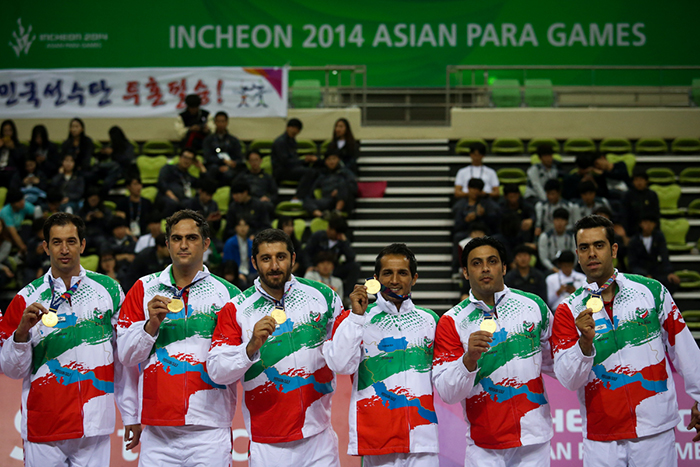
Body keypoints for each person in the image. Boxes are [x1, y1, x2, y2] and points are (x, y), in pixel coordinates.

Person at [550, 214, 700, 466]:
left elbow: (684, 349)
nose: (591, 253)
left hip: (655, 430)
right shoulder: (567, 309)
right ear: (577, 254)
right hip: (601, 437)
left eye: (599, 245)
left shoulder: (651, 291)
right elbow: (569, 380)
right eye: (584, 248)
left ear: (614, 249)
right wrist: (584, 346)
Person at [0, 212, 140, 466]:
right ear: (45, 247)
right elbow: (11, 370)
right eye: (56, 242)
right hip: (45, 426)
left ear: (83, 245)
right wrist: (21, 334)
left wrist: (130, 413)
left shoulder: (109, 290)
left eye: (71, 241)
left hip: (94, 425)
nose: (64, 249)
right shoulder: (26, 298)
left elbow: (123, 360)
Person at [207, 228, 343, 467]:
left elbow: (343, 355)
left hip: (319, 436)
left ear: (292, 257)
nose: (274, 266)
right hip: (267, 442)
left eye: (280, 257)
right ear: (254, 262)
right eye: (266, 258)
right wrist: (249, 349)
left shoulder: (324, 296)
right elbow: (217, 371)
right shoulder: (237, 308)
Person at [117, 209, 240, 467]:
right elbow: (126, 356)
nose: (183, 245)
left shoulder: (229, 294)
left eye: (192, 238)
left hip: (210, 427)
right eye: (176, 238)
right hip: (157, 430)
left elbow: (236, 362)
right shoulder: (142, 288)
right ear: (166, 244)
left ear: (206, 243)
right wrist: (150, 326)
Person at [433, 236, 554, 467]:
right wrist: (468, 360)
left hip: (534, 441)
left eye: (492, 261)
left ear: (505, 267)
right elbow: (448, 393)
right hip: (484, 445)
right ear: (465, 273)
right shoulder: (451, 321)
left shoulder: (534, 305)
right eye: (476, 263)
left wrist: (584, 346)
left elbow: (559, 364)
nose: (485, 268)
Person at [324, 243, 439, 466]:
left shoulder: (430, 320)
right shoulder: (354, 319)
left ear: (414, 278)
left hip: (422, 440)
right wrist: (356, 317)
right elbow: (340, 365)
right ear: (375, 279)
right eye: (387, 273)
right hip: (375, 441)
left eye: (402, 273)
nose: (394, 280)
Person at [303, 214, 360, 299]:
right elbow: (306, 253)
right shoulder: (318, 236)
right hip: (317, 268)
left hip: (333, 269)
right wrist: (309, 265)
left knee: (355, 266)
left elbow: (351, 257)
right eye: (334, 231)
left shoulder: (342, 241)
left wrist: (344, 243)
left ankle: (346, 297)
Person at [627, 213, 681, 292]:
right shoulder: (634, 241)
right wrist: (644, 275)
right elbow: (632, 263)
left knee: (671, 282)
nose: (648, 225)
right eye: (645, 222)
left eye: (651, 222)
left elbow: (664, 256)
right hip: (639, 274)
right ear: (640, 224)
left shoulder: (659, 237)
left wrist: (670, 272)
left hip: (656, 273)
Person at [270, 118, 316, 199]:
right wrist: (303, 160)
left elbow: (294, 159)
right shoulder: (280, 142)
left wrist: (306, 161)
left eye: (297, 129)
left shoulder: (292, 141)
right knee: (309, 172)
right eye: (293, 128)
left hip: (290, 168)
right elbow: (285, 162)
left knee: (315, 169)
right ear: (287, 128)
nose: (295, 131)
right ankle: (298, 196)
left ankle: (308, 195)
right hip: (282, 170)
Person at [303, 152, 357, 218]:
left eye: (334, 159)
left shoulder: (346, 173)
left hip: (344, 200)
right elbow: (313, 189)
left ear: (338, 160)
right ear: (325, 162)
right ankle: (323, 215)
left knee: (343, 185)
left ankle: (337, 211)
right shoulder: (322, 175)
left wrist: (339, 191)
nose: (332, 162)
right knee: (307, 201)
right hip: (327, 200)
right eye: (329, 159)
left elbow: (353, 187)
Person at [202, 111, 243, 185]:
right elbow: (208, 157)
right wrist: (222, 162)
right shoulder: (208, 140)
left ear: (227, 123)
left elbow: (239, 158)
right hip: (214, 167)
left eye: (223, 121)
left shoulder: (233, 140)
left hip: (230, 167)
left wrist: (232, 163)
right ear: (215, 122)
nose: (221, 124)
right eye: (218, 121)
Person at [157, 148, 199, 217]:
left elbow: (204, 184)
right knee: (172, 203)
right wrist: (172, 196)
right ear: (180, 157)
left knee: (193, 203)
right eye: (185, 157)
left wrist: (201, 167)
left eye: (190, 159)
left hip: (181, 200)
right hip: (166, 197)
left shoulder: (188, 177)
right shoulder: (168, 168)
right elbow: (161, 183)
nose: (186, 161)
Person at [234, 150, 279, 214]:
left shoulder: (268, 177)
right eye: (252, 160)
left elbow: (274, 193)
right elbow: (234, 191)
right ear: (248, 162)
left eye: (256, 160)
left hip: (261, 201)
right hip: (246, 201)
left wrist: (268, 198)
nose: (254, 163)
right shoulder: (242, 177)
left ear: (261, 161)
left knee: (268, 206)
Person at [621, 168, 661, 236]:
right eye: (636, 180)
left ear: (646, 181)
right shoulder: (627, 195)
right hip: (632, 231)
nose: (639, 182)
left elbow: (656, 214)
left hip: (650, 230)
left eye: (641, 180)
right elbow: (624, 215)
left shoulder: (652, 195)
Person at [537, 207, 577, 273]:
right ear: (553, 221)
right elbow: (544, 259)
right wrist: (554, 269)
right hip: (551, 268)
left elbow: (576, 254)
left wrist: (570, 268)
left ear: (567, 222)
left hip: (569, 266)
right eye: (557, 220)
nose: (559, 223)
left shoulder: (572, 236)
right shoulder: (545, 236)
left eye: (562, 220)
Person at [0, 188, 40, 254]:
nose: (22, 203)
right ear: (12, 204)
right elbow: (13, 233)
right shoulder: (5, 212)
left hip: (20, 231)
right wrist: (23, 248)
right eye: (19, 202)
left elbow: (37, 213)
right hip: (8, 235)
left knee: (28, 223)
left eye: (22, 200)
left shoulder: (24, 205)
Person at [222, 217, 256, 288]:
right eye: (240, 225)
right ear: (235, 228)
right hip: (237, 273)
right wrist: (238, 274)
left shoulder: (251, 243)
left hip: (250, 273)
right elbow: (228, 263)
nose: (242, 228)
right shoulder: (230, 243)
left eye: (245, 225)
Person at [0, 119, 27, 186]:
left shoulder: (20, 147)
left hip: (11, 172)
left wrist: (13, 149)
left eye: (10, 130)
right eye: (5, 131)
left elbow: (21, 163)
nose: (8, 133)